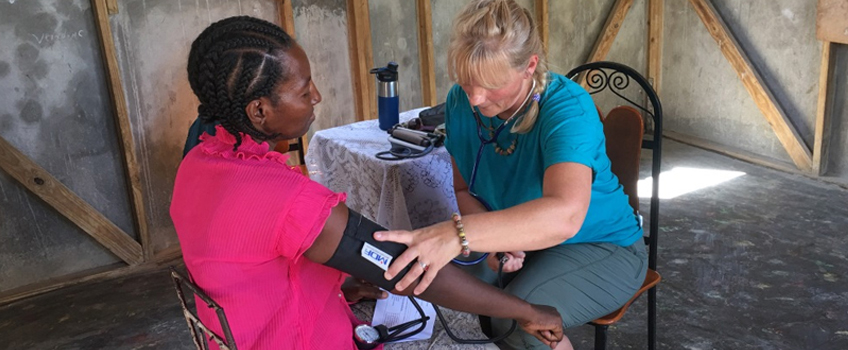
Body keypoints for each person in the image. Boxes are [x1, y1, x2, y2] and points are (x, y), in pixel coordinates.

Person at [170, 15, 564, 350]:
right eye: (304, 90)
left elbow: (249, 261)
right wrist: (526, 311)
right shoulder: (288, 200)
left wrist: (336, 284)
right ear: (259, 110)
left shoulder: (198, 162)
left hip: (237, 333)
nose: (317, 96)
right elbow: (406, 268)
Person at [372, 1, 649, 349]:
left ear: (529, 67)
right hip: (529, 241)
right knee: (449, 286)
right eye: (465, 80)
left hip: (602, 246)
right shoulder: (460, 102)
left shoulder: (568, 110)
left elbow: (565, 215)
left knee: (515, 319)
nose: (474, 98)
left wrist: (461, 234)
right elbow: (463, 190)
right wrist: (499, 239)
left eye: (490, 84)